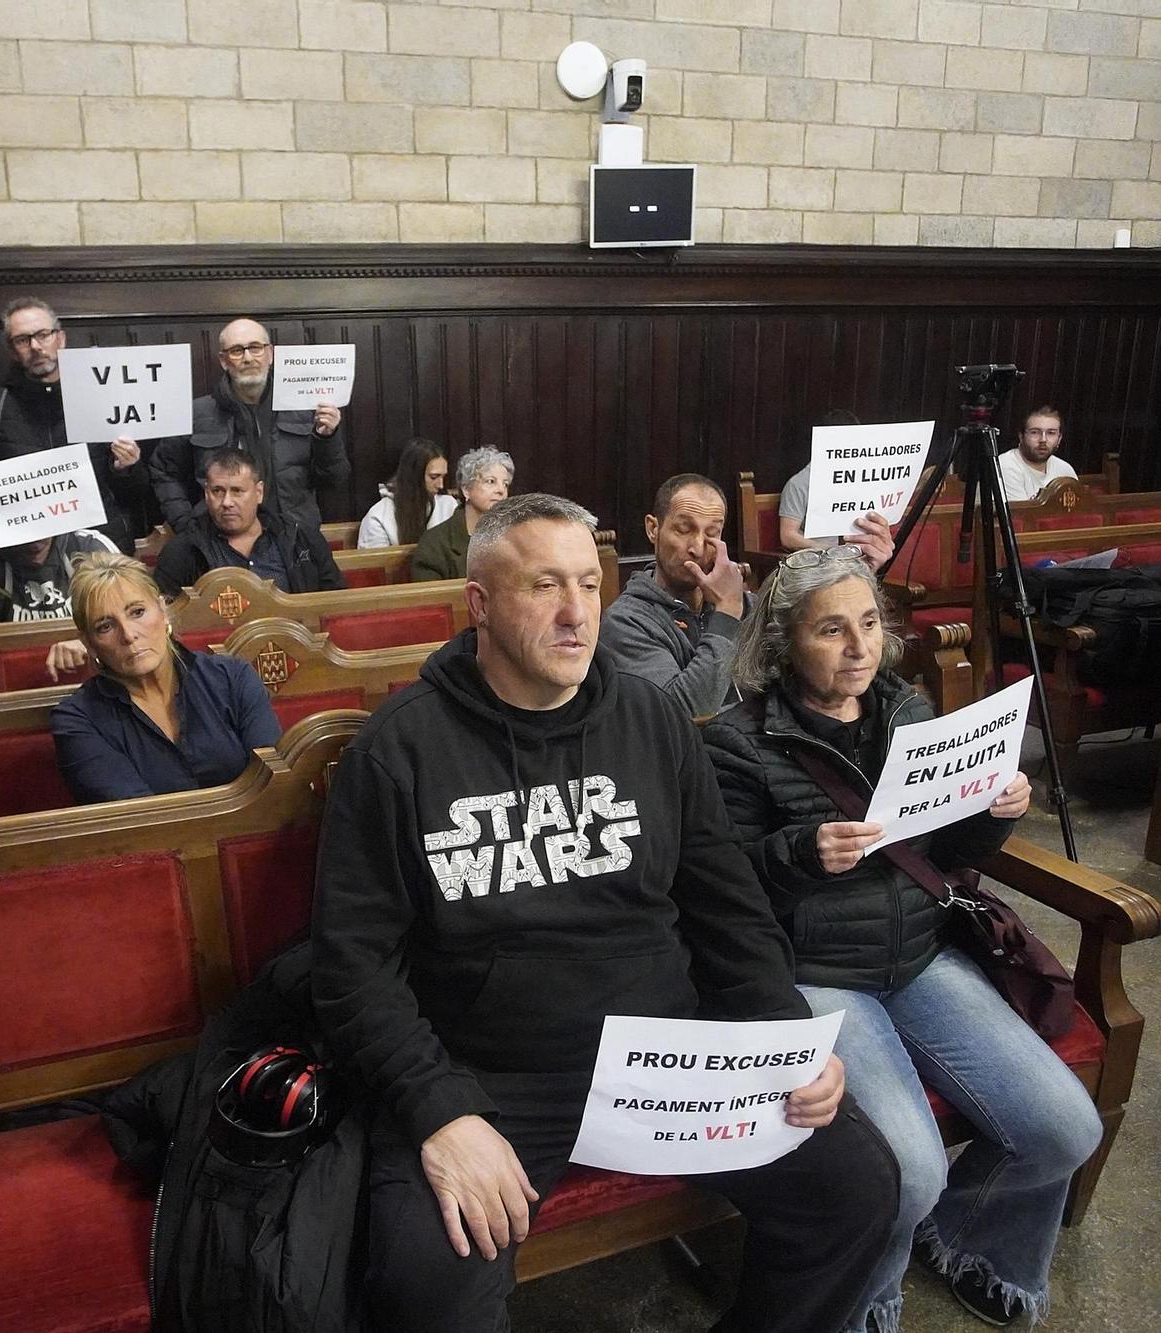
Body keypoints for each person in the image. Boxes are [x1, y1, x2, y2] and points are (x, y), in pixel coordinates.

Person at [313, 493, 900, 1333]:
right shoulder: (398, 751)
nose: (576, 611)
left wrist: (781, 1039)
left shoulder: (651, 720)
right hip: (496, 1076)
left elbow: (727, 906)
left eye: (589, 583)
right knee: (425, 1285)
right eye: (545, 585)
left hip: (665, 1050)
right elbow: (352, 967)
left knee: (857, 1187)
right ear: (479, 603)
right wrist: (438, 1109)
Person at [703, 548, 1099, 1332]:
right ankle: (866, 1297)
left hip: (921, 955)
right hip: (816, 973)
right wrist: (801, 853)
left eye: (868, 625)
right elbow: (723, 890)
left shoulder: (906, 712)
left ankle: (969, 1240)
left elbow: (948, 853)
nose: (859, 647)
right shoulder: (736, 743)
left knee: (1065, 1127)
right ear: (784, 644)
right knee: (907, 1171)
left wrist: (996, 808)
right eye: (831, 630)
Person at [52, 552, 282, 804]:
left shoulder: (232, 678)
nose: (128, 635)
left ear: (162, 611)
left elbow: (272, 787)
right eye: (105, 626)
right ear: (89, 644)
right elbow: (140, 820)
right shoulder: (77, 720)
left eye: (137, 612)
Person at [0, 297, 149, 552]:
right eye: (22, 340)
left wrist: (126, 468)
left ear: (60, 338)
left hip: (102, 550)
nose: (36, 346)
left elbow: (136, 494)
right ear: (11, 350)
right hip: (28, 557)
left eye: (43, 335)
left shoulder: (103, 397)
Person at [149, 317, 348, 536]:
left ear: (270, 354)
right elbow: (163, 472)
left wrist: (328, 439)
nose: (247, 358)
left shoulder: (307, 410)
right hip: (219, 542)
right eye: (236, 350)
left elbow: (334, 479)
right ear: (223, 360)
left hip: (295, 539)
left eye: (255, 348)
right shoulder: (195, 415)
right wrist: (187, 526)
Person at [602, 473, 753, 715]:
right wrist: (726, 615)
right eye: (683, 529)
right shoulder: (625, 622)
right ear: (653, 529)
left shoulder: (747, 605)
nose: (697, 548)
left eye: (712, 533)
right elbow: (682, 714)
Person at [0, 501, 118, 683]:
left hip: (93, 681)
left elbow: (135, 618)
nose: (34, 536)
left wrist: (90, 644)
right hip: (11, 685)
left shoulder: (89, 546)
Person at [149, 449, 347, 597]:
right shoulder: (182, 551)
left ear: (258, 492)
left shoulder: (301, 538)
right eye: (217, 491)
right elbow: (166, 621)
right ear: (206, 495)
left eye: (237, 491)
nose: (227, 502)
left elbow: (336, 603)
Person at [777, 409, 899, 562]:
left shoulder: (860, 480)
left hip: (858, 559)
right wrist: (830, 552)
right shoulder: (799, 484)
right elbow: (788, 536)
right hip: (819, 562)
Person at [409, 447, 512, 582]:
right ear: (466, 490)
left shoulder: (515, 537)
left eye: (505, 484)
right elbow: (431, 600)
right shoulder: (435, 544)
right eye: (491, 481)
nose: (501, 490)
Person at [357, 437, 457, 549]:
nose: (441, 485)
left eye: (443, 477)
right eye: (434, 477)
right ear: (413, 476)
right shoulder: (378, 516)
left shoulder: (450, 506)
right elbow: (376, 564)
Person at [994, 405, 1076, 502]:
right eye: (1035, 432)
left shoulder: (1064, 469)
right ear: (1021, 436)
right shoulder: (1005, 466)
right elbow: (1020, 515)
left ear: (1059, 438)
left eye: (1051, 433)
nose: (1043, 440)